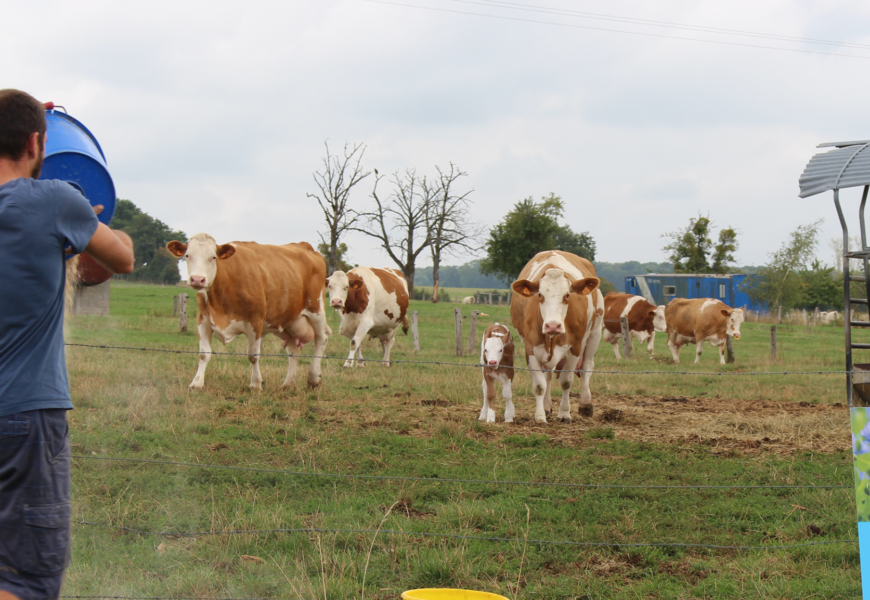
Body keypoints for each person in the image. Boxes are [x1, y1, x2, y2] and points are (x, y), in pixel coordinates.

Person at [0, 90, 134, 600]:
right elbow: (120, 257)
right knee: (25, 578)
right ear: (36, 143)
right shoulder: (57, 200)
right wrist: (89, 222)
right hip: (25, 416)